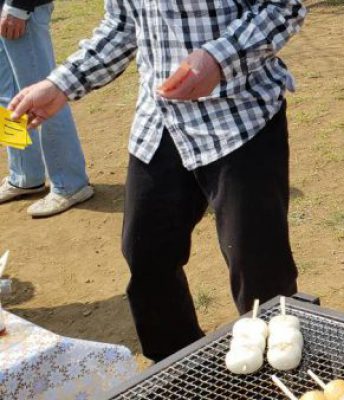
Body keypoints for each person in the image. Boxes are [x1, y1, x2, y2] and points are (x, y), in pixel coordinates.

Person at [9, 0, 306, 362]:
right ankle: (178, 368)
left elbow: (283, 7)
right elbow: (121, 26)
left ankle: (280, 375)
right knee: (146, 255)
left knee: (259, 270)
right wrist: (60, 85)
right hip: (159, 123)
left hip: (239, 120)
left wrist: (218, 59)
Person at [0, 0, 92, 217]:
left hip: (22, 10)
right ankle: (24, 174)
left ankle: (70, 183)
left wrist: (19, 5)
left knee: (45, 97)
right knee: (8, 98)